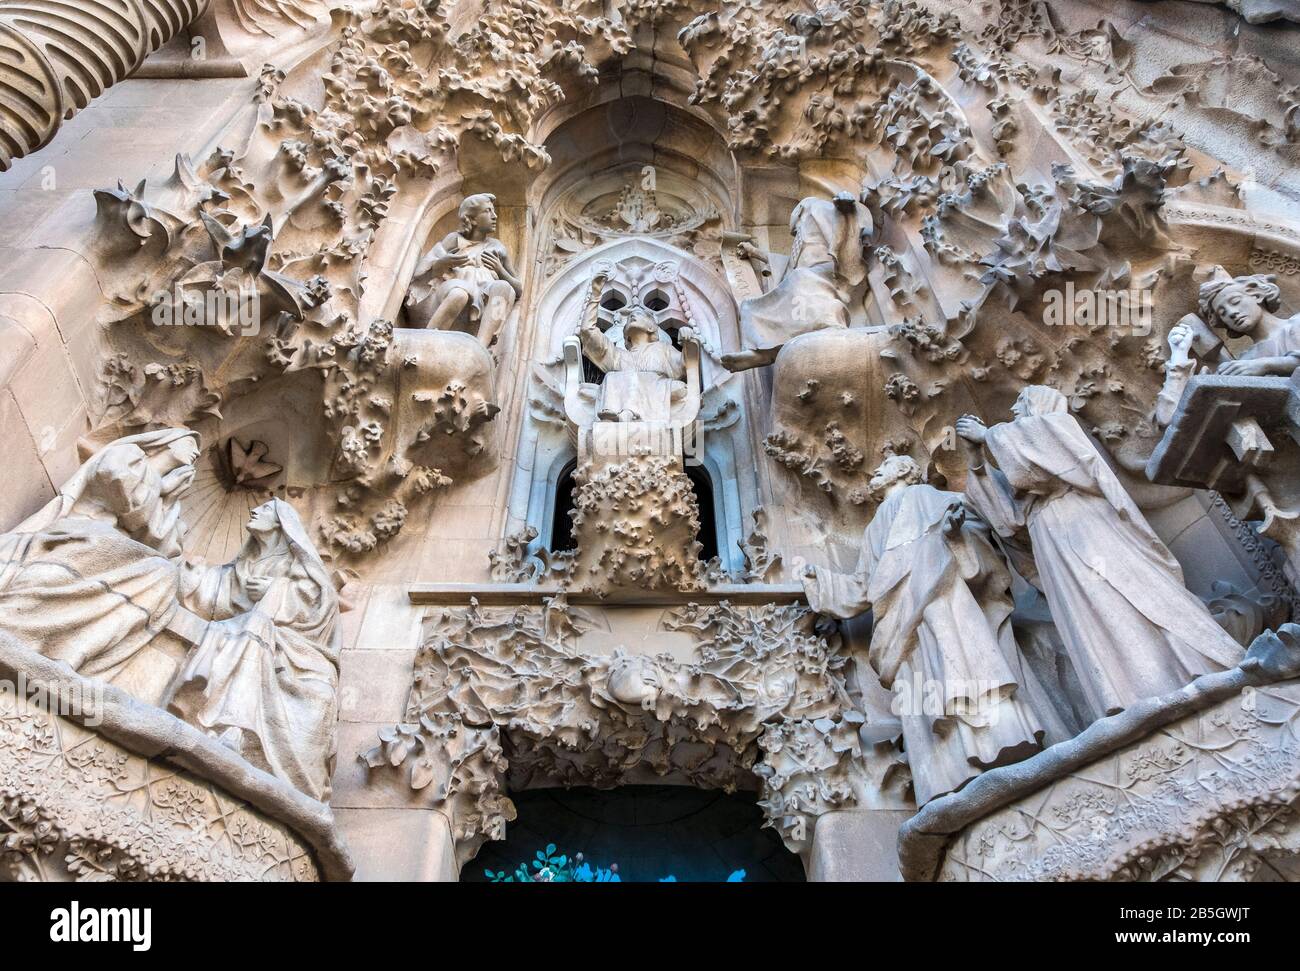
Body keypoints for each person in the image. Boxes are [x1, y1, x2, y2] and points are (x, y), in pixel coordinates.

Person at [957, 386, 1243, 723]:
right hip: (1052, 544)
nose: (1015, 415)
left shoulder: (1058, 428)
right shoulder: (1025, 453)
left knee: (1124, 595)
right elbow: (1008, 522)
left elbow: (1036, 460)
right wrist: (977, 460)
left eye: (1021, 406)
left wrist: (990, 436)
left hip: (1088, 527)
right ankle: (1129, 695)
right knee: (1091, 615)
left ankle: (1189, 668)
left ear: (1040, 404)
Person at [802, 454, 1044, 805]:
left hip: (948, 607)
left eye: (886, 465)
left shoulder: (939, 499)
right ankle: (948, 770)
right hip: (905, 628)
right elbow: (866, 585)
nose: (878, 469)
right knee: (925, 691)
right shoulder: (875, 527)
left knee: (963, 671)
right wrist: (821, 583)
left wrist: (955, 538)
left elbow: (987, 555)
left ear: (905, 470)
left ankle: (993, 743)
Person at [168, 499, 340, 802]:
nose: (254, 511)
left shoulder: (297, 566)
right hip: (245, 634)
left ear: (279, 523)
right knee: (249, 630)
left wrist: (274, 591)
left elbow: (318, 605)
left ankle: (232, 726)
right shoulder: (243, 566)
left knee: (256, 630)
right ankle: (229, 725)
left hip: (295, 650)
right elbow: (213, 596)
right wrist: (182, 570)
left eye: (265, 510)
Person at [0, 428, 200, 681]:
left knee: (164, 574)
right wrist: (158, 488)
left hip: (115, 547)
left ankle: (70, 654)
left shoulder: (168, 498)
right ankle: (15, 623)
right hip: (83, 529)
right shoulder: (129, 454)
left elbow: (161, 542)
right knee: (99, 547)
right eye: (190, 442)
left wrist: (167, 496)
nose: (195, 451)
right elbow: (115, 483)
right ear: (166, 442)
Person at [721, 191, 872, 372]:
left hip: (824, 271)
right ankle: (762, 351)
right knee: (749, 307)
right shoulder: (801, 238)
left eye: (794, 226)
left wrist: (846, 211)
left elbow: (847, 233)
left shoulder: (817, 210)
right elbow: (788, 264)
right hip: (803, 274)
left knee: (801, 279)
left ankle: (829, 324)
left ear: (800, 210)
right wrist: (754, 253)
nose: (793, 230)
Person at [405, 193, 522, 351]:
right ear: (472, 219)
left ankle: (480, 348)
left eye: (493, 211)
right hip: (451, 291)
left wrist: (500, 270)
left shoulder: (497, 248)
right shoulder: (454, 240)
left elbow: (518, 288)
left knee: (504, 287)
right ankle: (427, 341)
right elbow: (421, 270)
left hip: (481, 297)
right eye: (487, 211)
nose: (494, 216)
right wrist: (443, 263)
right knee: (460, 292)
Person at [580, 305, 692, 423]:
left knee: (634, 377)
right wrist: (595, 295)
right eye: (628, 319)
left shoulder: (663, 349)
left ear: (651, 327)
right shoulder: (618, 356)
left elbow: (686, 365)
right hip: (640, 396)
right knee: (610, 376)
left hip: (657, 389)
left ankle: (625, 414)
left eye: (639, 314)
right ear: (626, 335)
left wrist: (688, 342)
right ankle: (614, 416)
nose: (632, 316)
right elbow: (588, 331)